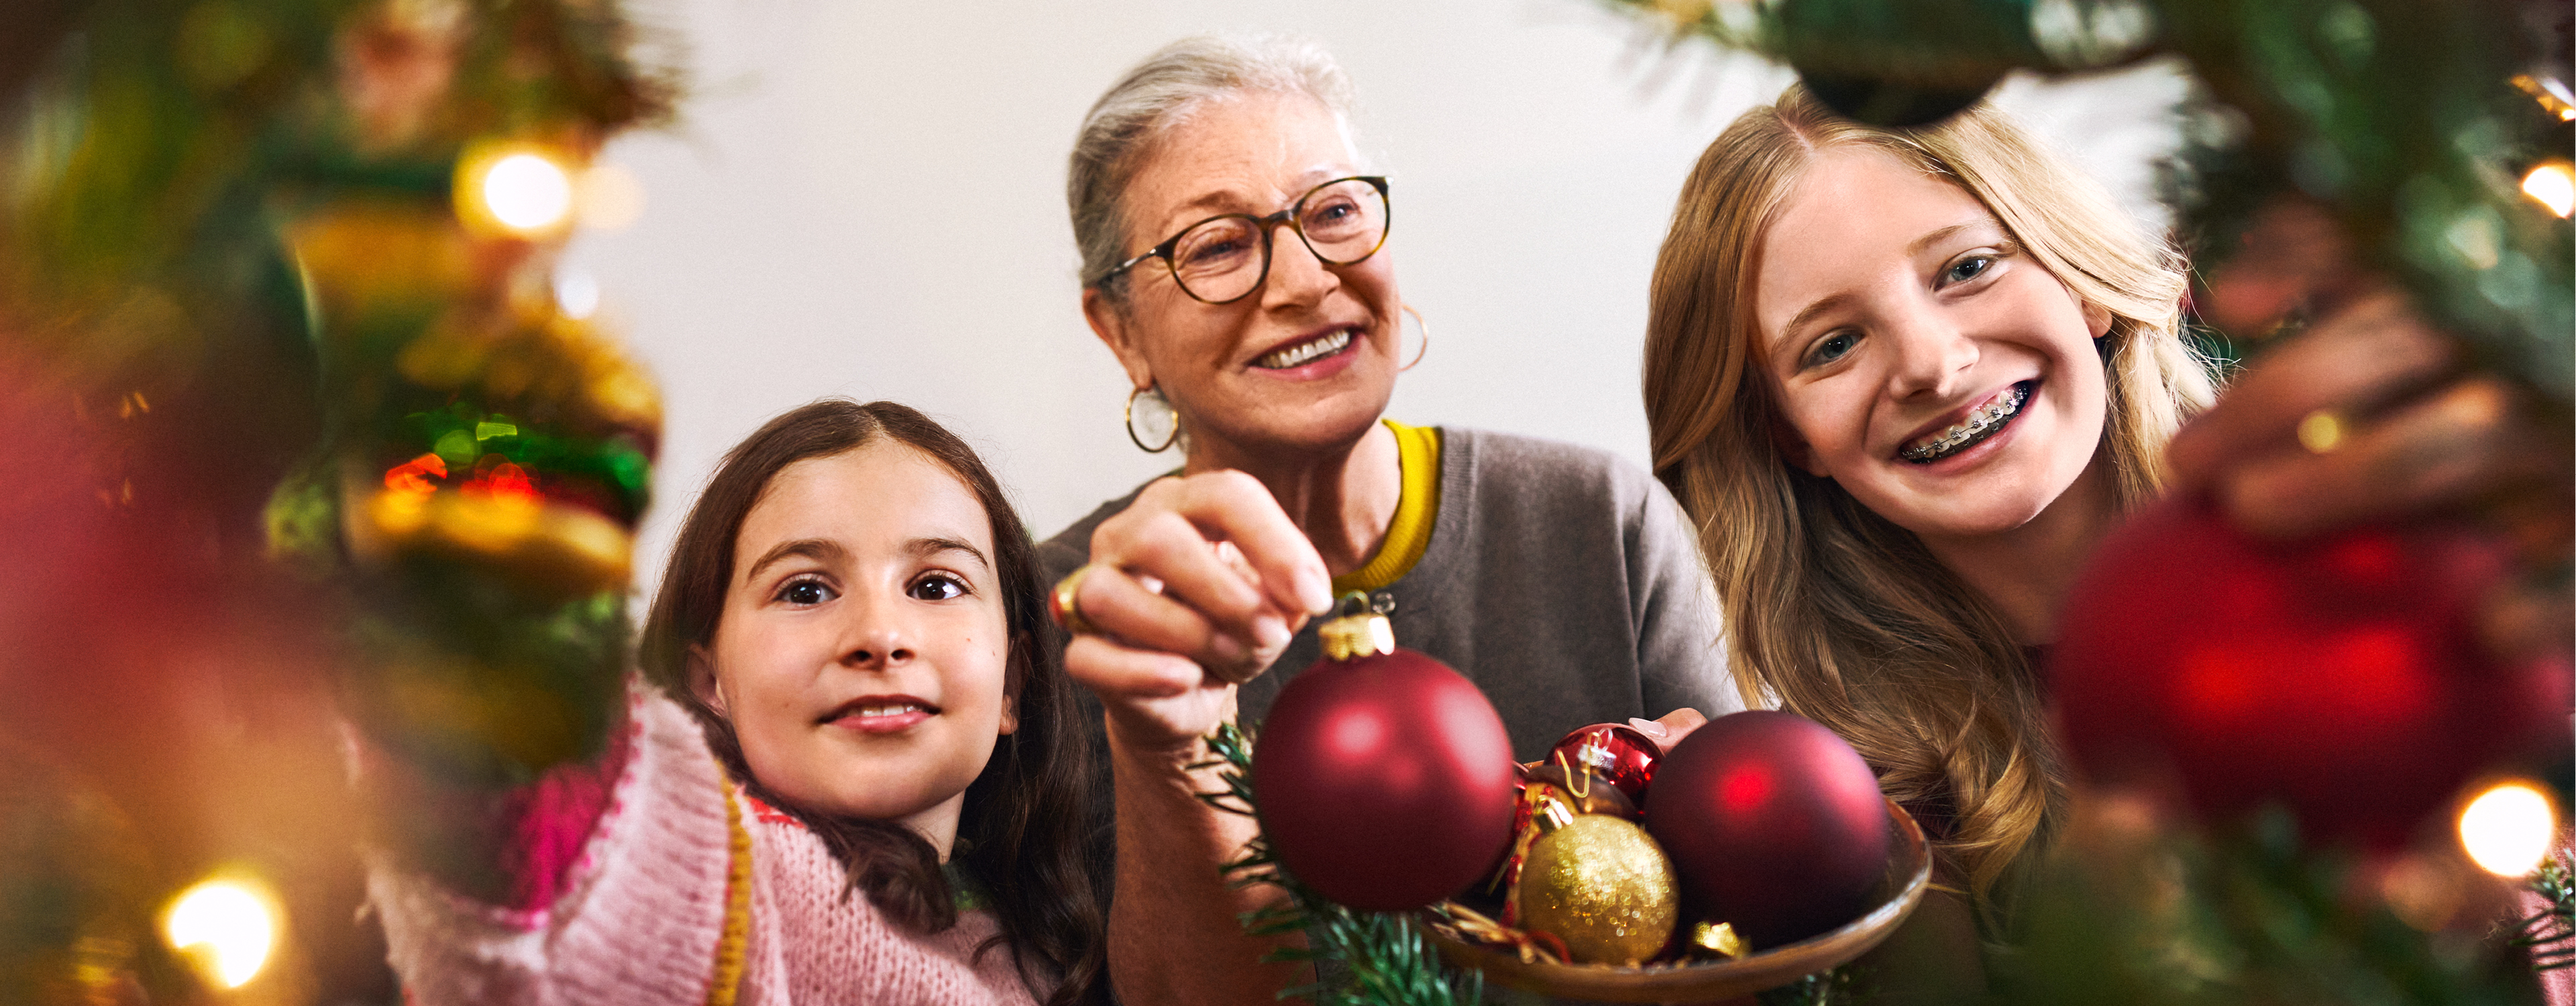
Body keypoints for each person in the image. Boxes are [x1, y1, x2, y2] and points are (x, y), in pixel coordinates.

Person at [1641, 85, 2568, 997]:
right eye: (1834, 345)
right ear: (1790, 437)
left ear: (2079, 283)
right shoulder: (1874, 833)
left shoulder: (2386, 547)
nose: (1930, 363)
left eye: (1966, 270)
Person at [1043, 34, 1743, 1005]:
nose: (1302, 282)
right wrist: (1163, 745)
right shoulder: (1071, 611)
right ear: (1119, 330)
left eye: (1333, 212)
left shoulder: (1597, 521)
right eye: (1217, 245)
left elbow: (1771, 924)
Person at [357, 399, 1107, 1005]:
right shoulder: (712, 868)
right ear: (709, 683)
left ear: (1013, 683)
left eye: (936, 585)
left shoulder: (1037, 950)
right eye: (805, 590)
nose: (880, 636)